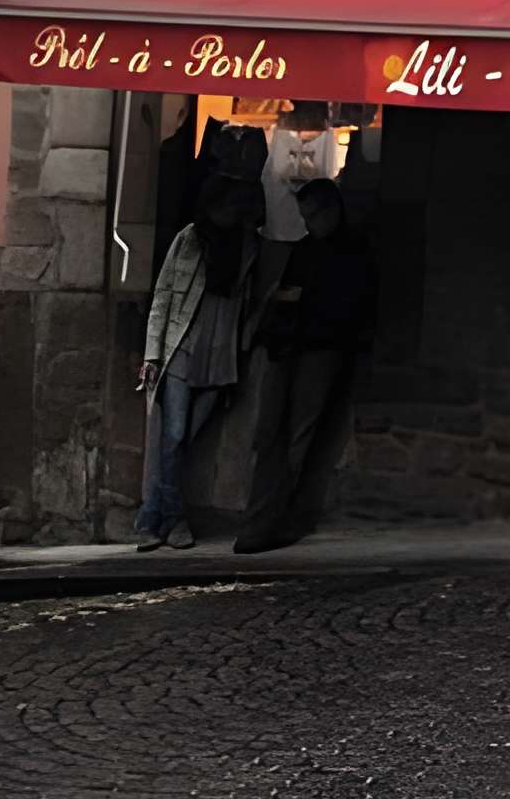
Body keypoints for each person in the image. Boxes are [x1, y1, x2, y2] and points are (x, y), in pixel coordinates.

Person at [232, 178, 377, 555]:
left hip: (319, 348)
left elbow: (348, 305)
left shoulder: (351, 252)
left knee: (296, 436)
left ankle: (274, 519)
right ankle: (263, 519)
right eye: (306, 215)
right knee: (274, 435)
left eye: (313, 215)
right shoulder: (310, 250)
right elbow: (288, 294)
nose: (310, 222)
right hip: (294, 347)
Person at [136, 175, 259, 549]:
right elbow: (163, 295)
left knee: (183, 441)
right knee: (172, 437)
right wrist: (152, 354)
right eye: (226, 206)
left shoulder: (247, 245)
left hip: (219, 357)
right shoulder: (190, 239)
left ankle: (152, 515)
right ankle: (174, 521)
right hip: (181, 350)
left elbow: (247, 302)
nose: (230, 213)